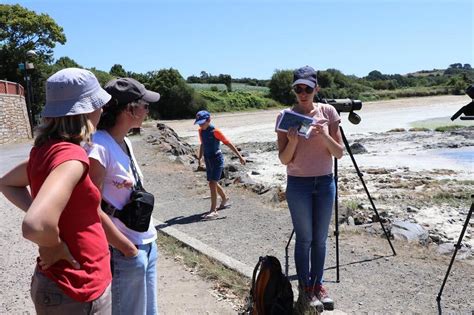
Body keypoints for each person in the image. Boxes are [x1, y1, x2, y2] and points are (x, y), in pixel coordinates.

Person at [0, 68, 113, 314]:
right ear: (86, 110)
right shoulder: (72, 157)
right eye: (98, 104)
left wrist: (41, 206)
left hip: (59, 286)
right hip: (76, 288)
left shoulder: (46, 150)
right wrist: (53, 246)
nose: (102, 110)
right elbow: (36, 225)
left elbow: (6, 182)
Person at [87, 77, 161, 315]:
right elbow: (91, 208)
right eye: (145, 105)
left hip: (146, 244)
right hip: (126, 251)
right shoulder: (98, 147)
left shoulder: (125, 141)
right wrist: (127, 248)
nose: (147, 111)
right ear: (130, 109)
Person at [275, 66, 343, 311]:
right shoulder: (285, 116)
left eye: (307, 88)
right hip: (299, 185)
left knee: (320, 240)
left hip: (325, 182)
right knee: (304, 239)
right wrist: (292, 142)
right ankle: (305, 288)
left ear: (317, 88)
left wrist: (324, 134)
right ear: (294, 90)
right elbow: (284, 159)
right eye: (298, 88)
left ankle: (318, 285)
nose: (303, 93)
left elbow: (339, 153)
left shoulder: (329, 112)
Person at [195, 110, 246, 220]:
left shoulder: (215, 131)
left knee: (212, 183)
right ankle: (224, 198)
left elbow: (228, 143)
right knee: (212, 182)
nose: (201, 125)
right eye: (199, 123)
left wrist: (240, 156)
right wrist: (200, 158)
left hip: (217, 159)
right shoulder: (201, 131)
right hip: (208, 159)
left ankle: (213, 211)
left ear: (209, 120)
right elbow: (202, 144)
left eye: (202, 122)